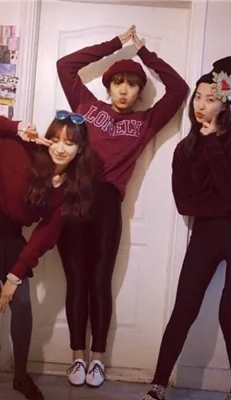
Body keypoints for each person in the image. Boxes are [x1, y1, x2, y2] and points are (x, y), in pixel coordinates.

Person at [56, 24, 189, 388]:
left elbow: (179, 89)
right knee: (76, 282)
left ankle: (98, 360)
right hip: (72, 202)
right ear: (109, 86)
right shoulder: (86, 107)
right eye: (118, 82)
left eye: (132, 84)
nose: (125, 90)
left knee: (100, 282)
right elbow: (65, 65)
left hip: (107, 205)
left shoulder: (146, 121)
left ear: (139, 91)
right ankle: (77, 357)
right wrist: (116, 44)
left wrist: (143, 52)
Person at [0, 112, 94, 400]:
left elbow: (44, 235)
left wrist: (14, 276)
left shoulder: (70, 188)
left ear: (80, 149)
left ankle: (21, 377)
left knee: (22, 303)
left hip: (10, 233)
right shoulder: (23, 150)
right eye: (57, 139)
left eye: (70, 143)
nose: (61, 148)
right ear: (48, 139)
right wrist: (17, 127)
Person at [142, 57, 231, 400]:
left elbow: (230, 185)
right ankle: (158, 386)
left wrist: (212, 143)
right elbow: (186, 204)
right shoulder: (184, 150)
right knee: (184, 310)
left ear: (225, 103)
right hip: (208, 233)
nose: (201, 105)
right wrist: (230, 205)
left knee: (230, 314)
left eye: (210, 99)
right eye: (198, 96)